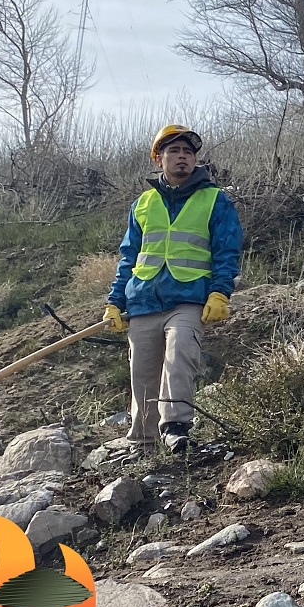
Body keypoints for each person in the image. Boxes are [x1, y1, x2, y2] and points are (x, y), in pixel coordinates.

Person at [104, 125, 243, 455]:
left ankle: (176, 426)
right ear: (158, 158)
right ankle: (142, 444)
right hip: (143, 301)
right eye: (175, 151)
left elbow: (227, 250)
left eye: (188, 153)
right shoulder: (142, 204)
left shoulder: (215, 200)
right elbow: (129, 256)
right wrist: (114, 301)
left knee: (181, 350)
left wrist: (220, 292)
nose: (183, 157)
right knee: (142, 372)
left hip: (189, 298)